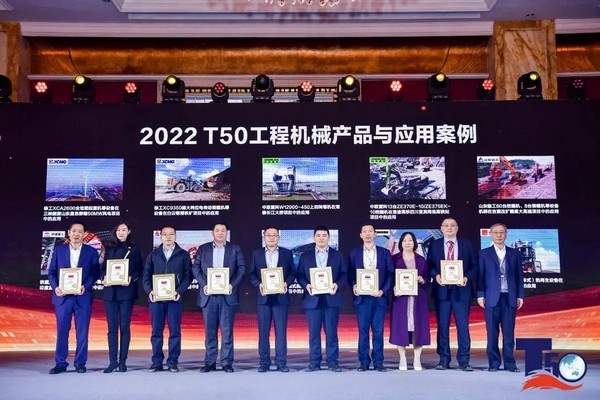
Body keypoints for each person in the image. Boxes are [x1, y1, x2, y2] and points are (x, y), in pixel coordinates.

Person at [47, 220, 100, 374]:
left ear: (85, 234)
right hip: (63, 298)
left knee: (82, 333)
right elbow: (51, 272)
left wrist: (86, 285)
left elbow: (95, 272)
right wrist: (56, 287)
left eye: (80, 231)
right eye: (74, 231)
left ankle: (80, 363)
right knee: (62, 332)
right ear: (69, 233)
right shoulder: (59, 250)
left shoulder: (91, 252)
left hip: (82, 296)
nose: (76, 234)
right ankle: (60, 363)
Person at [193, 223, 246, 373]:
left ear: (227, 232)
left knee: (227, 331)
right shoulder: (203, 249)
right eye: (217, 230)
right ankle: (209, 362)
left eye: (223, 230)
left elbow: (241, 268)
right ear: (212, 233)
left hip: (227, 295)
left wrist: (232, 284)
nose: (220, 233)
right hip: (208, 295)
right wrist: (204, 284)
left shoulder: (234, 249)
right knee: (210, 331)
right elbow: (195, 268)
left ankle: (226, 362)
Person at [427, 217, 477, 371]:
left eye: (452, 225)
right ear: (441, 228)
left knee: (463, 326)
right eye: (446, 225)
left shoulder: (466, 244)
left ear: (457, 228)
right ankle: (444, 359)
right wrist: (436, 276)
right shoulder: (435, 245)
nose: (449, 228)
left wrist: (466, 277)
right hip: (442, 292)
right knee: (442, 327)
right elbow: (429, 265)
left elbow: (474, 265)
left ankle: (464, 360)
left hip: (462, 291)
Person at [297, 225, 347, 372]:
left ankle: (333, 362)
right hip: (312, 299)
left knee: (331, 333)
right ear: (314, 238)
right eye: (318, 235)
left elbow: (344, 274)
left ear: (328, 238)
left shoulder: (337, 255)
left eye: (324, 235)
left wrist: (337, 285)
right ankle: (314, 362)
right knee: (313, 334)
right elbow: (300, 275)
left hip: (331, 298)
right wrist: (306, 285)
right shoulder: (305, 256)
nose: (321, 238)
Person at [142, 226, 192, 373]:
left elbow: (188, 276)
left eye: (171, 234)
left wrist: (179, 291)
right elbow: (146, 275)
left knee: (175, 331)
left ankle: (172, 361)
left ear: (176, 236)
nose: (168, 237)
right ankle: (157, 361)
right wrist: (149, 291)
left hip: (175, 298)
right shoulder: (153, 254)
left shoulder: (183, 255)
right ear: (160, 237)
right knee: (156, 331)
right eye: (165, 234)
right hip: (156, 299)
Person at [248, 225, 296, 372]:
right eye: (268, 235)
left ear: (279, 237)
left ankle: (281, 362)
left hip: (281, 298)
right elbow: (251, 274)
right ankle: (264, 362)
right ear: (264, 237)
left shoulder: (287, 253)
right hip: (263, 298)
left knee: (281, 332)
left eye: (274, 235)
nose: (271, 237)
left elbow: (292, 273)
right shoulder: (256, 254)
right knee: (263, 332)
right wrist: (259, 284)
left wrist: (286, 283)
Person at [477, 223, 524, 373]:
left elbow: (519, 276)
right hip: (491, 298)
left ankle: (510, 363)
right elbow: (480, 276)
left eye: (501, 232)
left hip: (509, 297)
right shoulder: (484, 253)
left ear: (506, 234)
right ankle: (494, 363)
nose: (499, 235)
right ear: (490, 234)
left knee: (509, 333)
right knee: (492, 333)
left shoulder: (514, 253)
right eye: (496, 232)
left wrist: (520, 295)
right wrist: (480, 295)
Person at [348, 223, 393, 372]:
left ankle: (379, 362)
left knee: (378, 331)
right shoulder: (354, 253)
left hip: (378, 297)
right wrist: (354, 285)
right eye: (364, 231)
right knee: (363, 331)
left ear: (375, 234)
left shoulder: (384, 253)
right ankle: (363, 361)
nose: (367, 234)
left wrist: (383, 291)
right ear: (361, 235)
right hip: (362, 299)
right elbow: (350, 274)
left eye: (370, 231)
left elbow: (390, 274)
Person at [100, 222, 144, 373]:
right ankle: (113, 362)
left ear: (128, 231)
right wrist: (104, 278)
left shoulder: (134, 249)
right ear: (115, 232)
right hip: (110, 293)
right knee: (112, 328)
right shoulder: (108, 249)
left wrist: (131, 278)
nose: (121, 232)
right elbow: (102, 269)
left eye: (124, 230)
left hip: (126, 292)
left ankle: (123, 361)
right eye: (118, 230)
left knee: (125, 327)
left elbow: (139, 269)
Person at [389, 232, 430, 371]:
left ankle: (417, 359)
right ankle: (402, 358)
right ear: (401, 243)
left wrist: (422, 280)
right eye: (405, 240)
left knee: (418, 328)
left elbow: (428, 279)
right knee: (401, 328)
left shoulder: (421, 260)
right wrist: (394, 287)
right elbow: (389, 278)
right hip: (401, 299)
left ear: (414, 243)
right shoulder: (394, 259)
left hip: (418, 299)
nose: (407, 243)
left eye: (410, 240)